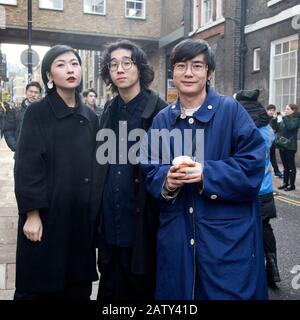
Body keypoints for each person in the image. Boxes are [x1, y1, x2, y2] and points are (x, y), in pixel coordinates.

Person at [139, 39, 268, 300]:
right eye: (181, 66)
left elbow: (253, 165)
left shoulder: (231, 111)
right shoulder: (163, 119)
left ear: (209, 73)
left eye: (197, 66)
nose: (188, 73)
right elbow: (149, 167)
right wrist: (168, 180)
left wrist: (206, 173)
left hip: (225, 240)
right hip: (177, 237)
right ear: (172, 72)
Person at [13, 45, 99, 300]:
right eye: (61, 65)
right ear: (49, 75)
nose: (70, 69)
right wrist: (32, 213)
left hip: (80, 217)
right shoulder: (38, 112)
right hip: (48, 214)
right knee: (41, 284)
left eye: (74, 63)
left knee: (76, 286)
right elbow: (28, 165)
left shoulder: (90, 116)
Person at [92, 39, 167, 300]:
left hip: (143, 226)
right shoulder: (108, 110)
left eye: (127, 62)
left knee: (141, 291)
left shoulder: (160, 112)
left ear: (140, 68)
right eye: (113, 65)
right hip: (110, 224)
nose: (120, 69)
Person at [236, 90, 281, 287]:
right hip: (265, 187)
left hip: (244, 188)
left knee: (242, 232)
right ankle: (272, 270)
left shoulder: (240, 125)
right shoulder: (268, 129)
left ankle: (247, 274)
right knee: (265, 229)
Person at [3, 81, 42, 152]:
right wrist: (15, 147)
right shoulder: (15, 111)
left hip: (40, 153)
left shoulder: (44, 111)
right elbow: (8, 131)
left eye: (36, 92)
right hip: (20, 153)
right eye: (31, 91)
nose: (33, 94)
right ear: (26, 92)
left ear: (39, 94)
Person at [272, 104, 300, 191]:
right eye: (285, 108)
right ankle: (285, 183)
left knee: (290, 165)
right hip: (282, 145)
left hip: (290, 146)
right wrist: (274, 119)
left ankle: (292, 185)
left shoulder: (296, 119)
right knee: (285, 166)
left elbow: (290, 127)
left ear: (293, 110)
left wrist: (284, 117)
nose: (285, 110)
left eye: (287, 109)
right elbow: (276, 128)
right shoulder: (285, 119)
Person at [266, 104, 283, 178]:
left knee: (273, 157)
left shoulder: (274, 118)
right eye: (270, 110)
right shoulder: (263, 118)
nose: (271, 112)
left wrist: (275, 119)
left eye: (273, 110)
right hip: (265, 140)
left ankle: (277, 171)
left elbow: (276, 128)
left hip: (272, 141)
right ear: (267, 110)